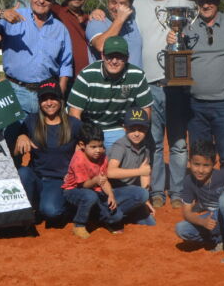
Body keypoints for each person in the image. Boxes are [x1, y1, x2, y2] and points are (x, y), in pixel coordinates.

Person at [132, 0, 214, 208]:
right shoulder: (137, 5)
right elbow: (115, 6)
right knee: (152, 144)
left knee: (178, 144)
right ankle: (156, 191)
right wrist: (103, 13)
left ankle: (177, 192)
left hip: (177, 85)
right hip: (149, 87)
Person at [0, 0, 73, 116]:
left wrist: (59, 95)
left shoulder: (61, 29)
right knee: (14, 136)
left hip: (46, 95)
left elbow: (66, 65)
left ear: (53, 0)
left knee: (43, 138)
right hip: (14, 91)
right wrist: (1, 13)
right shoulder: (13, 16)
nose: (41, 0)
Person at [177, 0, 224, 169]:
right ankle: (203, 196)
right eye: (201, 1)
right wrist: (172, 41)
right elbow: (176, 62)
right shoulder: (186, 28)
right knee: (199, 156)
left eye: (210, 0)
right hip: (195, 104)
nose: (205, 5)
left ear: (218, 1)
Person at [174, 140, 224, 264]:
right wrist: (202, 222)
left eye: (206, 165)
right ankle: (222, 240)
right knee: (182, 228)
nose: (200, 170)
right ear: (189, 162)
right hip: (220, 218)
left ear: (214, 164)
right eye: (196, 164)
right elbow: (187, 213)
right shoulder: (189, 181)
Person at [14, 79, 81, 225]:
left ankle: (59, 205)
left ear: (60, 100)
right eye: (44, 99)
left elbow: (89, 145)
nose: (49, 103)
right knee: (23, 172)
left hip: (58, 180)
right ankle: (32, 208)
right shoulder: (31, 121)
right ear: (39, 102)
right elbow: (16, 149)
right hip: (36, 177)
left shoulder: (73, 124)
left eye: (53, 98)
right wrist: (22, 136)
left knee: (52, 212)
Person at [67, 36, 153, 150]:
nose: (114, 61)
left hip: (118, 128)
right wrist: (83, 139)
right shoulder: (87, 75)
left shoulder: (137, 76)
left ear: (127, 58)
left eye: (119, 57)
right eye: (110, 56)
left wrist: (134, 132)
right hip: (89, 128)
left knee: (131, 153)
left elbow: (145, 111)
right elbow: (74, 115)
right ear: (102, 56)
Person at [62, 123, 121, 239]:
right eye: (93, 147)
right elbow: (84, 184)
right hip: (73, 190)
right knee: (90, 196)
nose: (98, 150)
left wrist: (110, 195)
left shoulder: (103, 157)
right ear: (82, 145)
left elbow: (104, 180)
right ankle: (79, 224)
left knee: (116, 217)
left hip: (94, 189)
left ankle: (93, 218)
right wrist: (96, 180)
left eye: (100, 146)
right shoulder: (78, 159)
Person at [105, 108, 155, 228]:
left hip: (128, 191)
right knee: (141, 194)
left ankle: (125, 214)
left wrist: (146, 201)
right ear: (124, 128)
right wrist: (139, 171)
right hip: (111, 192)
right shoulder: (120, 146)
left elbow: (145, 174)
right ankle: (109, 215)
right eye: (132, 129)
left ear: (147, 129)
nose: (137, 133)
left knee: (150, 223)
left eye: (141, 129)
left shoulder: (145, 146)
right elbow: (110, 172)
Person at [87, 0, 143, 68]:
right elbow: (101, 45)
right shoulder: (97, 21)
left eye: (122, 3)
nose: (116, 8)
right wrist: (119, 19)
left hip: (135, 80)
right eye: (113, 2)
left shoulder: (135, 19)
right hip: (106, 81)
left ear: (130, 5)